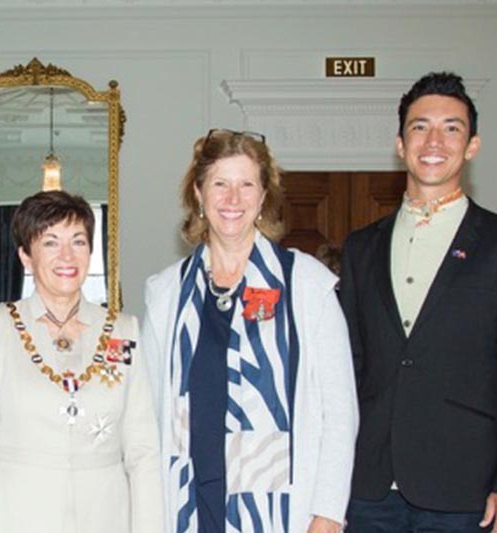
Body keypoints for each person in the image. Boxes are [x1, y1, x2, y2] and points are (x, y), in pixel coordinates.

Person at [339, 72, 497, 533]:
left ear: (472, 146)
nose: (434, 141)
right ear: (400, 144)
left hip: (467, 492)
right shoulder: (360, 248)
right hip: (368, 489)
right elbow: (347, 370)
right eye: (420, 127)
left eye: (451, 128)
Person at [143, 129, 359, 533]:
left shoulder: (307, 284)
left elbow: (340, 411)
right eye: (219, 184)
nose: (233, 199)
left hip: (281, 511)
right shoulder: (166, 292)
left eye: (246, 185)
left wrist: (328, 511)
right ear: (198, 194)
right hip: (188, 502)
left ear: (263, 198)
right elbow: (149, 413)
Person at [0, 190, 162, 533]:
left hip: (104, 519)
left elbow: (143, 450)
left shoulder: (123, 330)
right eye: (50, 243)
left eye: (78, 241)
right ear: (26, 256)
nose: (67, 256)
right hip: (14, 518)